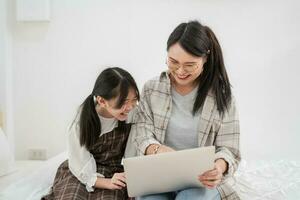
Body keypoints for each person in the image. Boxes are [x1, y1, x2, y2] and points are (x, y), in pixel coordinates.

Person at [125, 20, 241, 200]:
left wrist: (218, 167)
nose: (180, 71)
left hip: (201, 181)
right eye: (173, 62)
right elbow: (141, 134)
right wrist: (157, 150)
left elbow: (229, 149)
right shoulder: (151, 89)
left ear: (205, 59)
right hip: (159, 175)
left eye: (190, 65)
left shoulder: (222, 96)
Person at [42, 67, 140, 200]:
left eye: (133, 99)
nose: (129, 107)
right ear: (102, 101)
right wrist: (105, 182)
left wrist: (123, 178)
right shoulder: (81, 121)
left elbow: (132, 157)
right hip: (80, 172)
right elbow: (80, 165)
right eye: (123, 102)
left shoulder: (133, 115)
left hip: (113, 172)